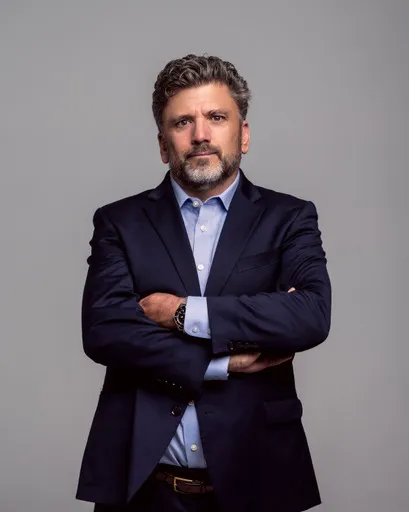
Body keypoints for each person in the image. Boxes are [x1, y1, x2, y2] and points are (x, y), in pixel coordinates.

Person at [76, 54, 332, 512]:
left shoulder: (290, 218)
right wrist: (221, 363)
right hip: (143, 488)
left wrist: (180, 313)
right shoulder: (120, 222)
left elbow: (310, 315)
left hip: (260, 479)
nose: (200, 135)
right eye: (183, 122)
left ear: (243, 134)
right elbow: (105, 331)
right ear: (163, 144)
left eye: (216, 117)